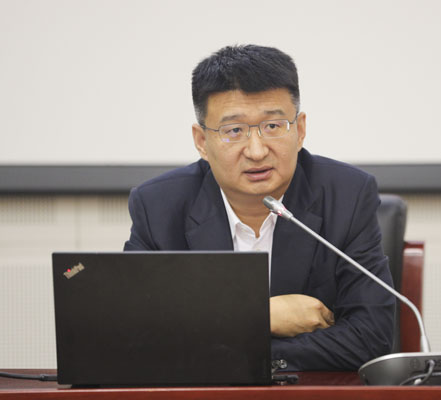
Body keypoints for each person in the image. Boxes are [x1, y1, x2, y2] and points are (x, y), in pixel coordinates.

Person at [124, 44, 395, 371]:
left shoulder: (347, 196)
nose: (256, 151)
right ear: (201, 142)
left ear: (300, 130)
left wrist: (231, 347)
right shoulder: (158, 207)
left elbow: (371, 338)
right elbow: (133, 335)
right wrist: (260, 316)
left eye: (273, 126)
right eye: (234, 131)